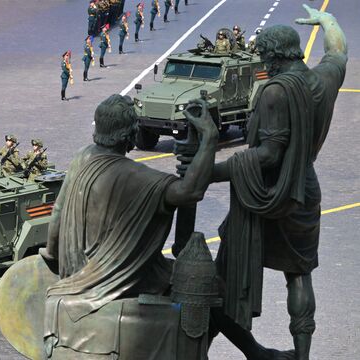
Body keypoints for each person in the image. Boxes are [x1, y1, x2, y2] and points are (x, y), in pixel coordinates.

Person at [208, 6, 347, 360]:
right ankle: (302, 356)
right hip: (305, 191)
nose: (264, 63)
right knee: (299, 275)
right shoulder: (324, 79)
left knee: (223, 276)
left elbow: (268, 154)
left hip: (267, 196)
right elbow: (337, 50)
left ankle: (227, 349)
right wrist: (326, 20)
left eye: (265, 57)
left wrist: (212, 171)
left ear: (273, 56)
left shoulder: (275, 92)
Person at [39, 94, 218, 358]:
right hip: (112, 279)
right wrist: (210, 138)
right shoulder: (133, 176)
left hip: (75, 272)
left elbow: (58, 213)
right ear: (130, 136)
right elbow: (189, 191)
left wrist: (53, 255)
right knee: (215, 289)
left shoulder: (82, 157)